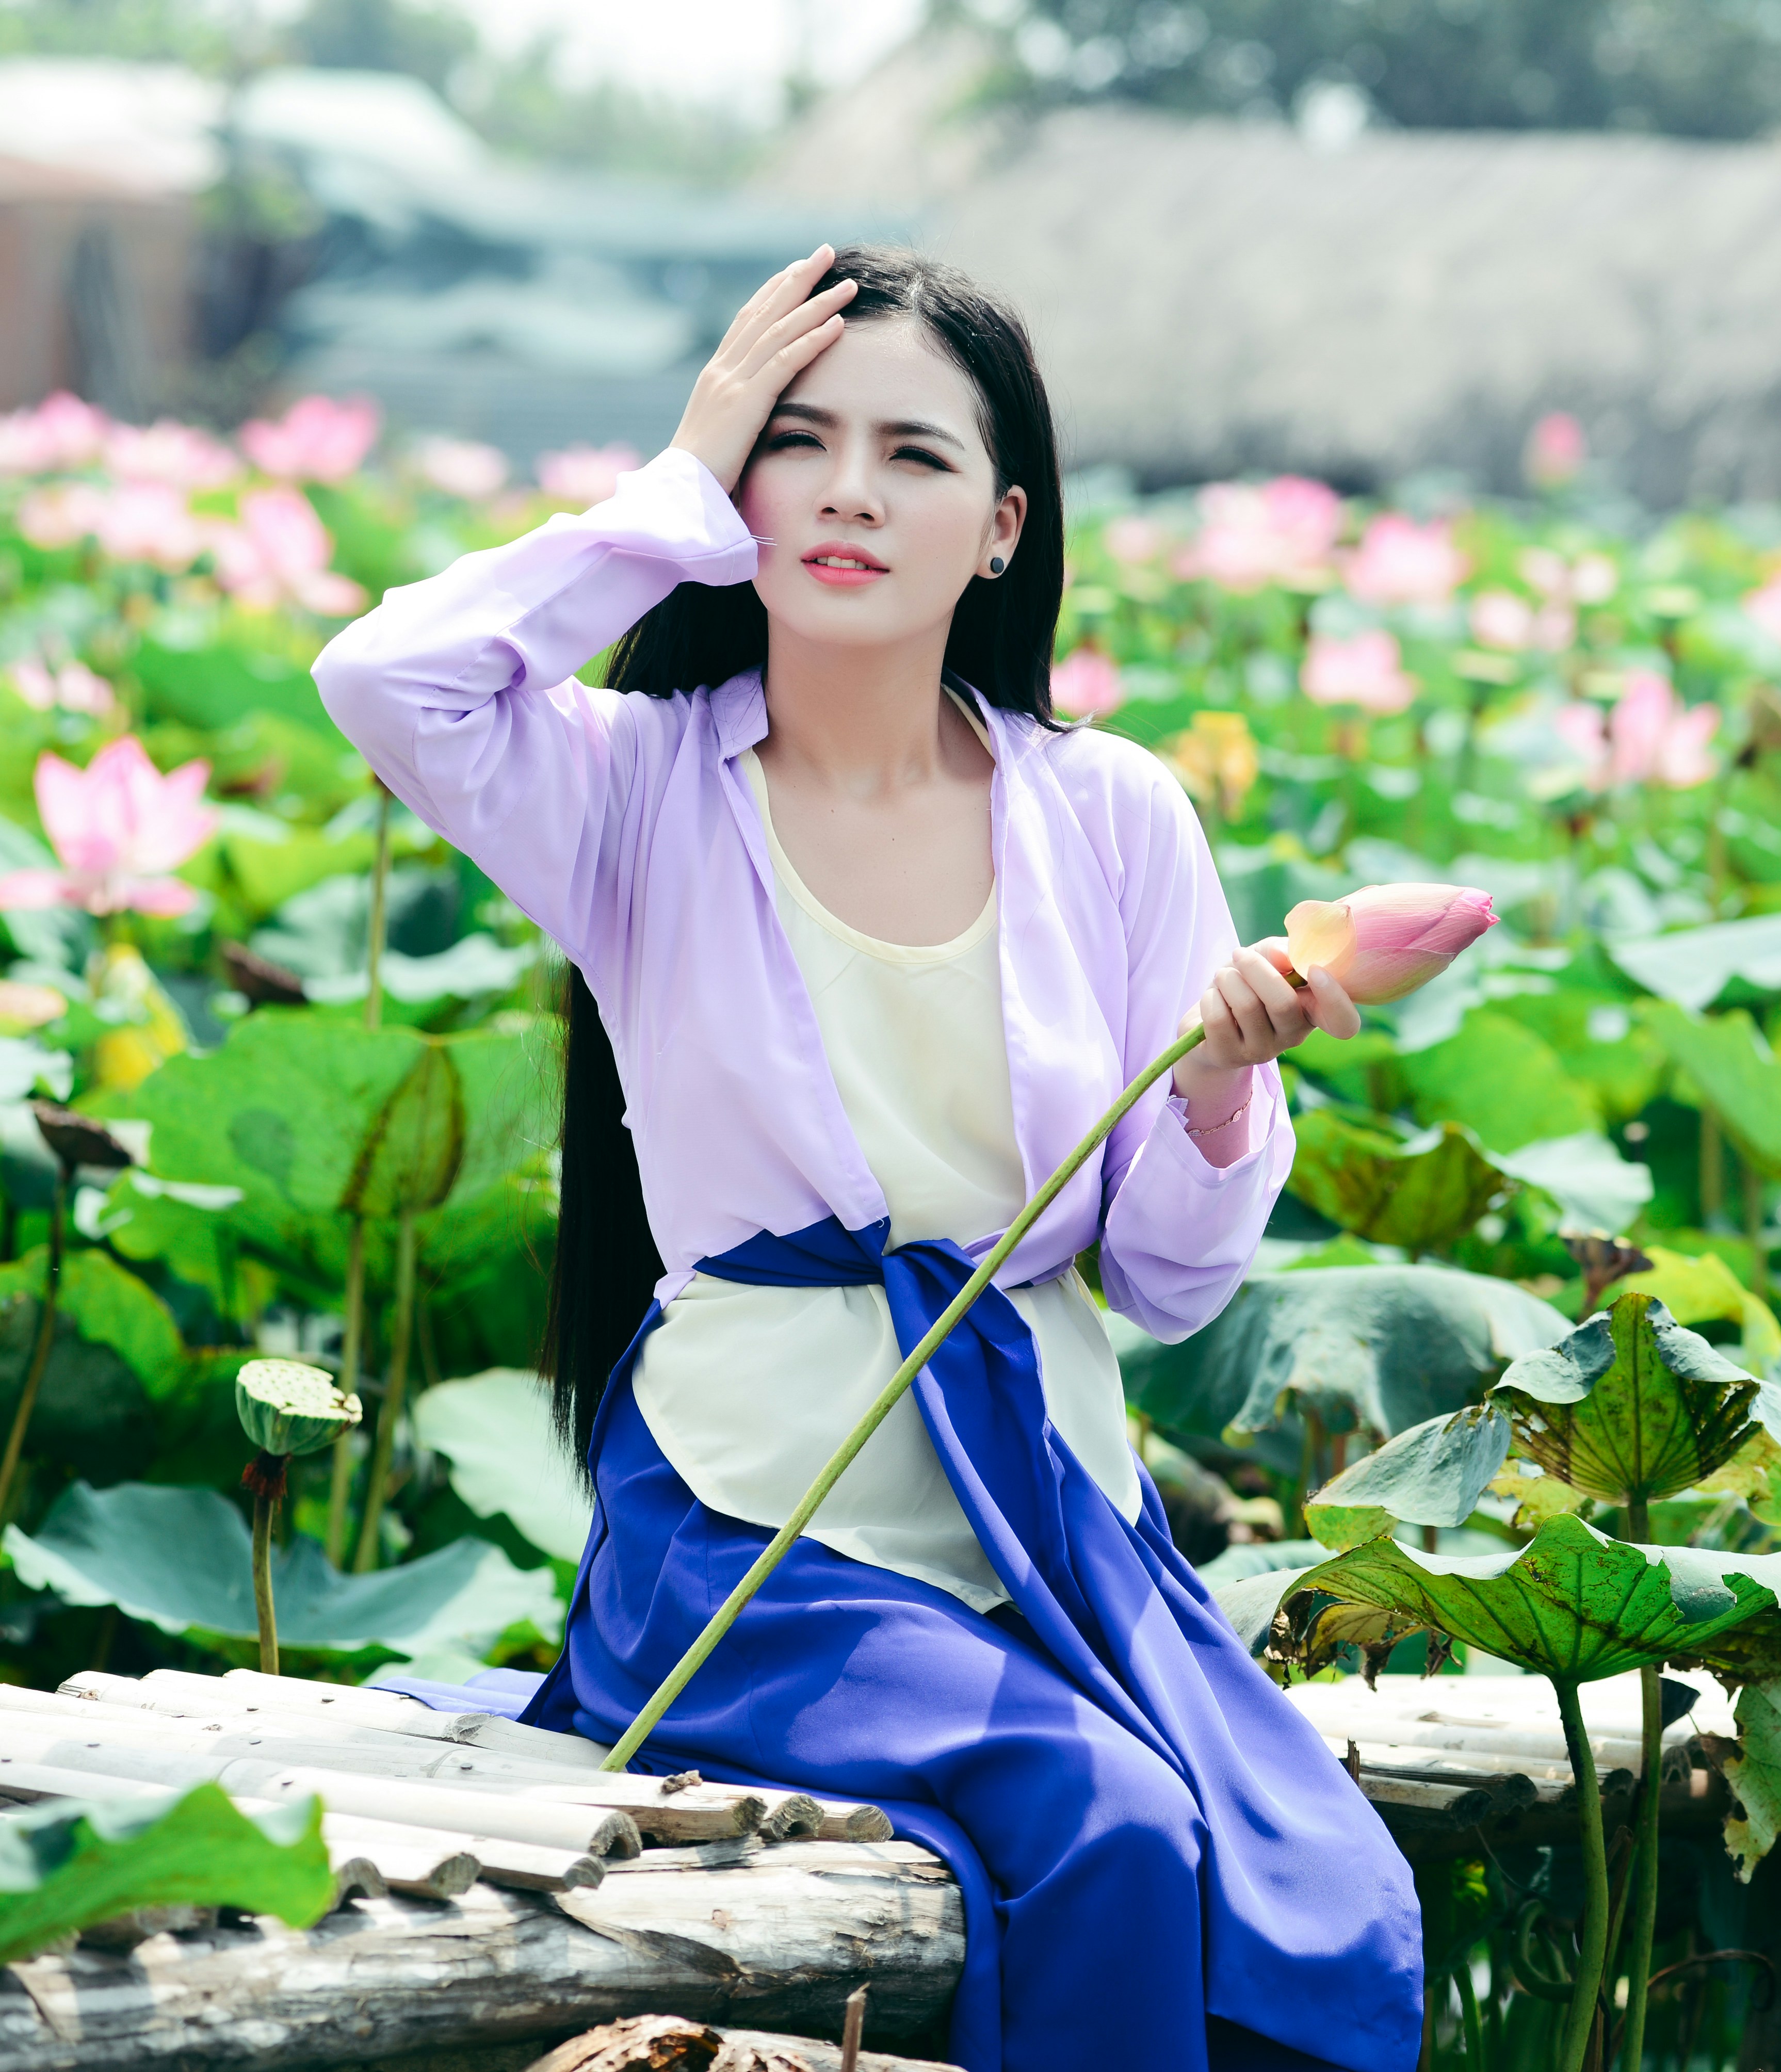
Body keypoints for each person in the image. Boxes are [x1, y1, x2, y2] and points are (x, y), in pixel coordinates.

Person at [316, 245, 1422, 2072]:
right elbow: (387, 675)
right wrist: (672, 483)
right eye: (795, 441)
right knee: (1117, 1830)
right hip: (758, 1529)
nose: (845, 489)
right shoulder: (632, 786)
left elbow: (1160, 1279)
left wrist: (1223, 1098)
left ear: (1000, 529)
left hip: (1053, 1519)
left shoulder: (1111, 811)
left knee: (1323, 1880)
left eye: (913, 455)